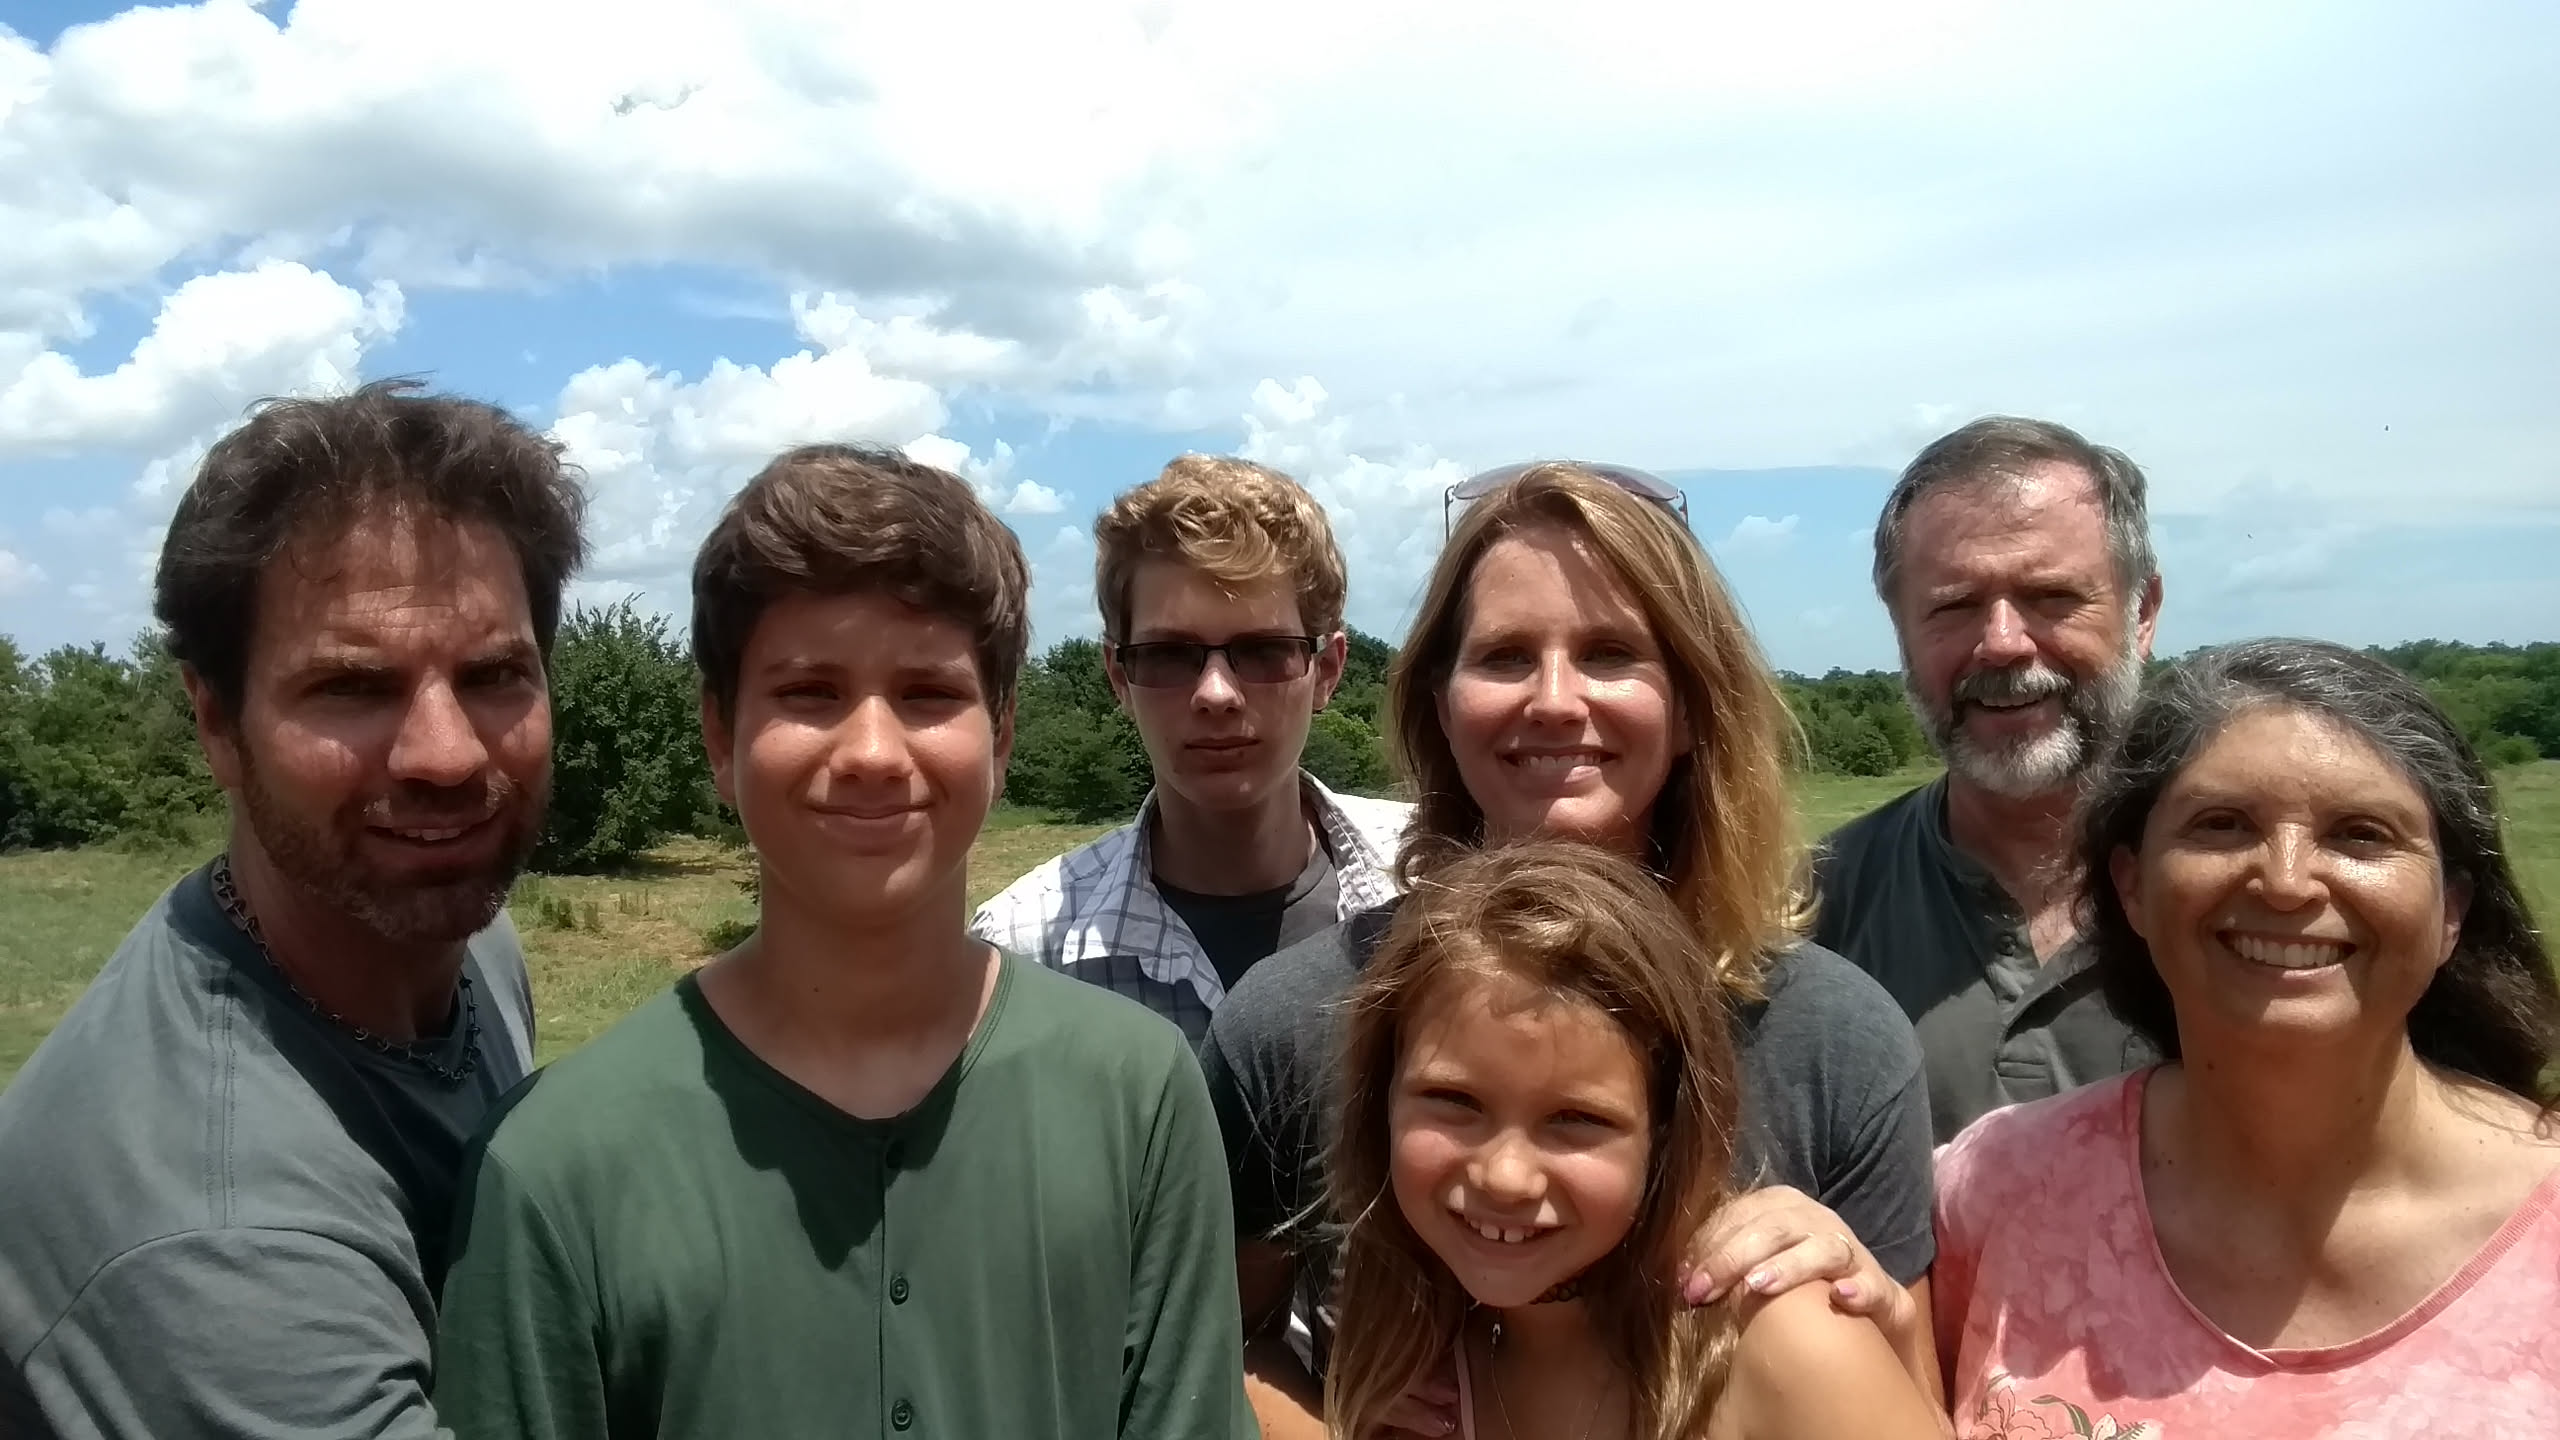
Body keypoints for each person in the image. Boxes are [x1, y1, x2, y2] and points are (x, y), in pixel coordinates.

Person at [432, 445, 1253, 1440]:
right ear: (720, 737)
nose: (871, 752)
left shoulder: (1139, 1097)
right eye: (810, 692)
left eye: (927, 693)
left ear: (1000, 738)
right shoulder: (553, 1163)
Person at [1205, 463, 1939, 1440]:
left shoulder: (1837, 1043)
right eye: (1505, 656)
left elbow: (1912, 1395)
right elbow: (1202, 1347)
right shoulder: (1294, 1018)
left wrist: (1865, 1307)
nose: (1554, 700)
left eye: (1610, 654)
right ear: (1440, 704)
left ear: (1692, 703)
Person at [0, 380, 583, 1439]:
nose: (447, 755)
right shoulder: (216, 1237)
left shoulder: (461, 939)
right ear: (217, 723)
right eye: (353, 687)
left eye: (496, 673)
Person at [1934, 638, 2560, 1435]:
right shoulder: (1995, 1191)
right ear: (2131, 886)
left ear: (2452, 912)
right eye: (2223, 825)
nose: (2287, 882)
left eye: (2361, 834)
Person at [1328, 839, 1947, 1440]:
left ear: (1669, 1132)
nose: (1506, 1176)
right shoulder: (1403, 1352)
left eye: (1575, 1119)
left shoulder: (1789, 1346)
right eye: (1455, 1101)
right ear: (1380, 1102)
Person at [973, 454, 1409, 1045]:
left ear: (1327, 670)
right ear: (1119, 677)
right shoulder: (1021, 950)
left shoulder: (1439, 883)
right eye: (1169, 656)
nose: (1216, 694)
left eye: (1263, 651)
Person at [1813, 416, 2166, 1141]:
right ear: (1901, 632)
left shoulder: (2253, 892)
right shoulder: (1809, 915)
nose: (2002, 643)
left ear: (2143, 613)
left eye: (2051, 596)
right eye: (1954, 606)